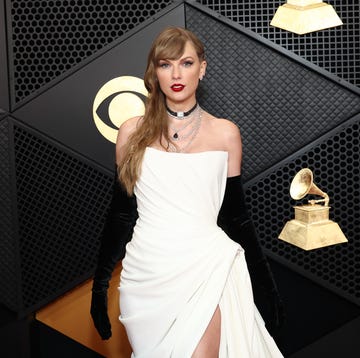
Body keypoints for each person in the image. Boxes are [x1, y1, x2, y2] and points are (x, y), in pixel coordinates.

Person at [91, 26, 284, 357]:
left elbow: (237, 218)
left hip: (206, 266)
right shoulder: (131, 132)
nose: (176, 74)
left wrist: (268, 288)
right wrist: (100, 286)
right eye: (166, 64)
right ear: (155, 72)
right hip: (147, 275)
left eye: (187, 63)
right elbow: (121, 213)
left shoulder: (226, 134)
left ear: (203, 68)